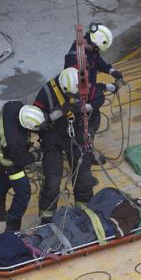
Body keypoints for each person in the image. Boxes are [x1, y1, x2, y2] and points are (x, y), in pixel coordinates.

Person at [33, 68, 105, 224]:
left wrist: (87, 107)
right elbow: (37, 121)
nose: (75, 97)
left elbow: (99, 97)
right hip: (52, 136)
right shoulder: (47, 92)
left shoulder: (82, 83)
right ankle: (47, 217)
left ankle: (85, 210)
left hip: (75, 132)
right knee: (52, 179)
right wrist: (56, 114)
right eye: (71, 96)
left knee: (83, 173)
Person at [0, 102, 45, 232]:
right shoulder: (15, 141)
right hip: (8, 161)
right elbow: (21, 160)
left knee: (3, 178)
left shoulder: (12, 106)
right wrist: (37, 155)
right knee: (23, 192)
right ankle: (12, 227)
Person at [64, 23, 121, 135]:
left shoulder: (89, 48)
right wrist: (107, 86)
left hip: (87, 89)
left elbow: (97, 60)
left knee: (93, 119)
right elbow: (86, 87)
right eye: (98, 48)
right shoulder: (77, 60)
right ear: (94, 44)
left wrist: (111, 71)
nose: (98, 51)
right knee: (88, 124)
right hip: (78, 96)